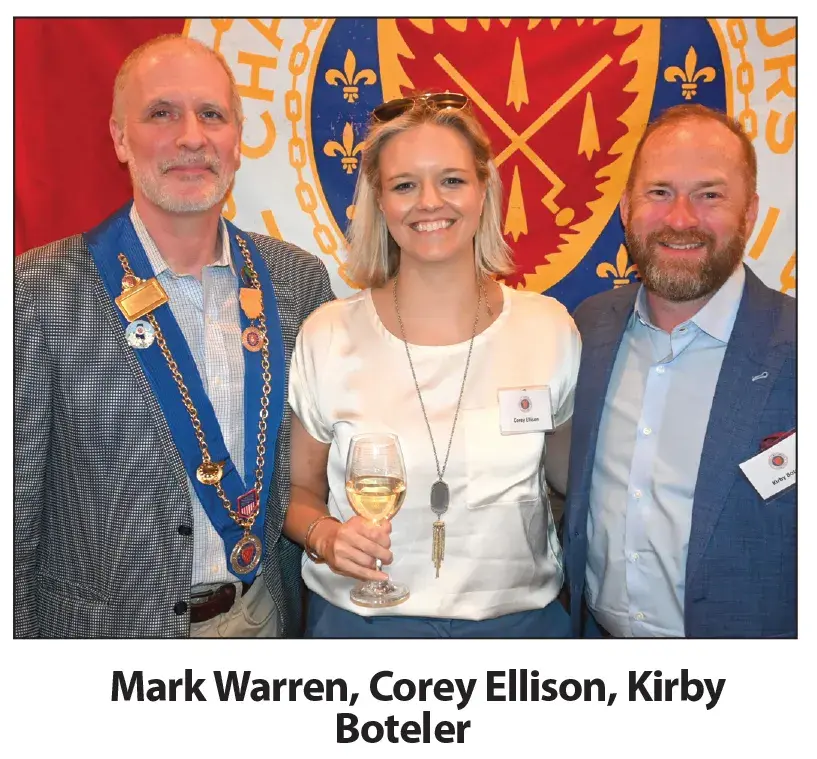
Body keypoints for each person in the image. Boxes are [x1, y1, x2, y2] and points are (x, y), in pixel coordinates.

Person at [13, 34, 334, 638]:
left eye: (212, 115)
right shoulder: (35, 291)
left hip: (262, 623)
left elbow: (313, 473)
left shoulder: (298, 282)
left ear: (237, 139)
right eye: (162, 113)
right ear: (119, 138)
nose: (192, 137)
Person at [283, 93, 582, 637]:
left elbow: (573, 485)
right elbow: (296, 491)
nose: (429, 202)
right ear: (379, 201)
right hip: (362, 629)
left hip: (521, 632)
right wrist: (326, 535)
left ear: (483, 190)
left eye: (451, 180)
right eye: (404, 185)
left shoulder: (550, 329)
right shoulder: (328, 334)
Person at [562, 104, 796, 638]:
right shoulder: (589, 328)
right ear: (626, 209)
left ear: (750, 213)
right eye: (660, 192)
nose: (681, 219)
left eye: (709, 195)